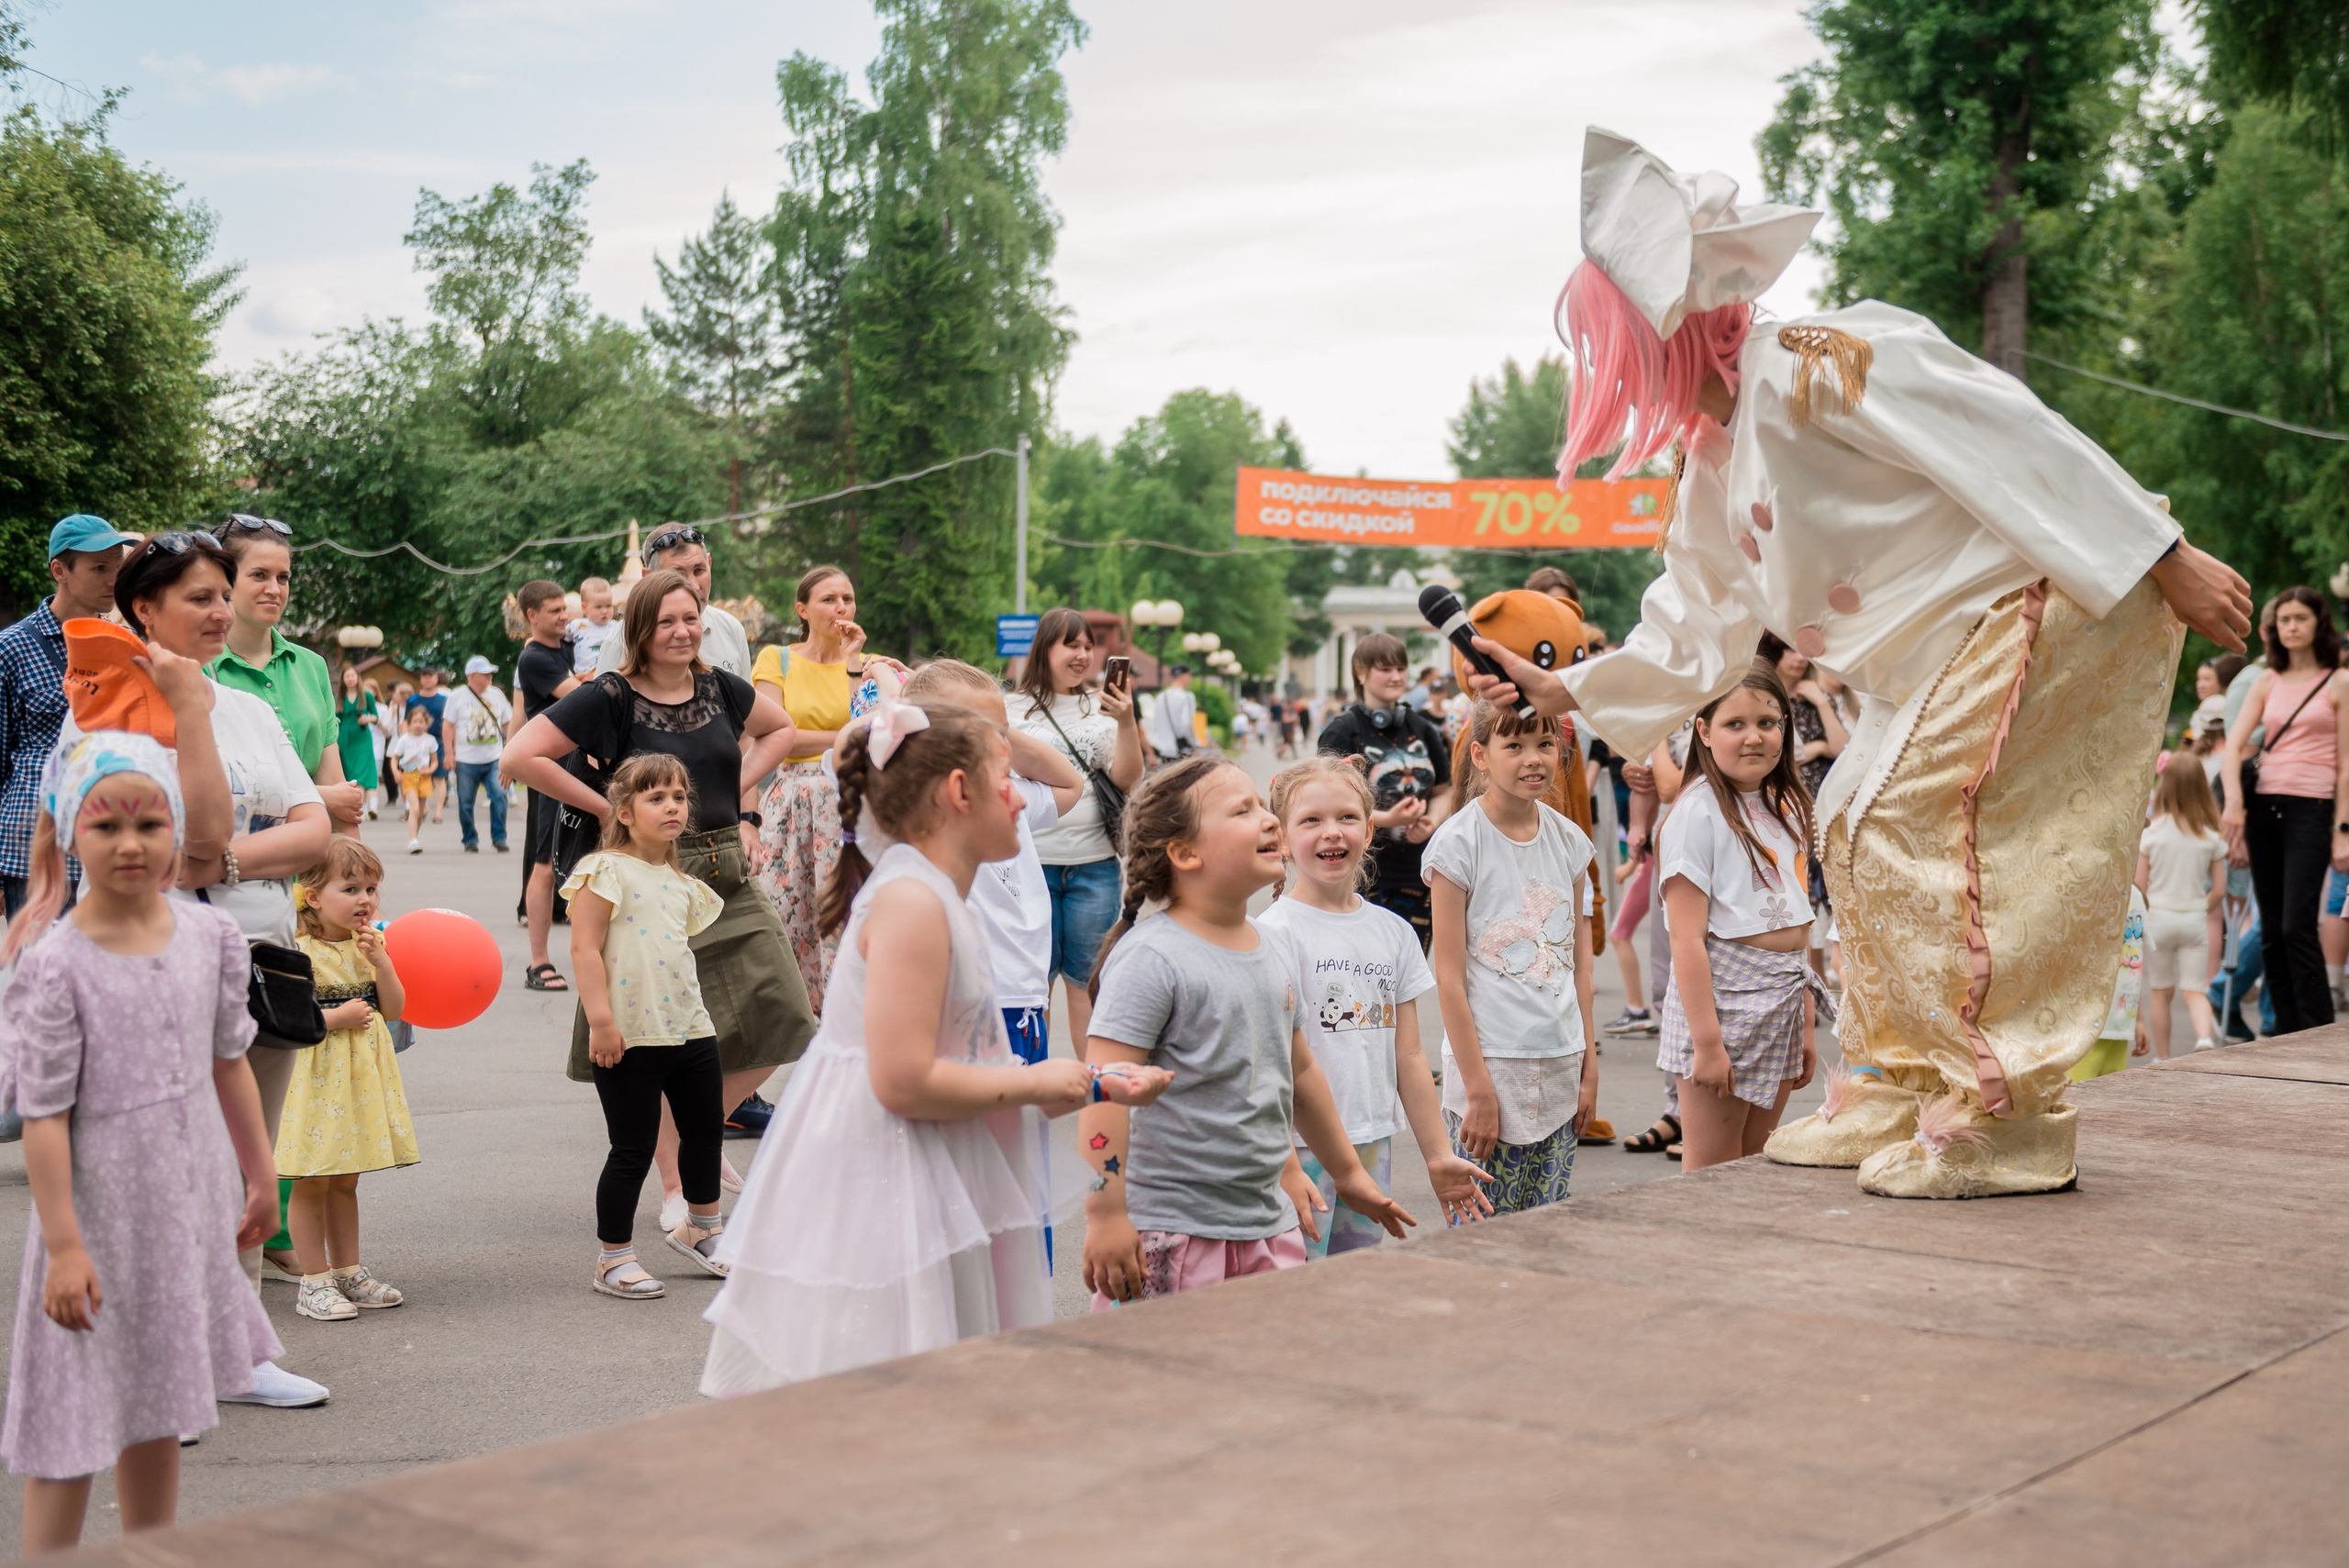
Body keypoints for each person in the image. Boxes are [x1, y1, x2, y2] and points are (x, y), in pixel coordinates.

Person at [1470, 128, 2250, 1198]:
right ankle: (1902, 1073)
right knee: (1844, 820)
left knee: (1901, 823)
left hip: (2022, 604)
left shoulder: (1813, 360)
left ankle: (2001, 1111)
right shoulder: (1712, 455)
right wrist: (1575, 690)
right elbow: (1697, 614)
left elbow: (2002, 429)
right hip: (1930, 653)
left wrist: (2160, 553)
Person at [703, 703, 1170, 1388]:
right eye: (1007, 779)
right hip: (895, 1175)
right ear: (958, 792)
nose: (1020, 799)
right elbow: (904, 1081)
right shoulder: (913, 902)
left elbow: (962, 1062)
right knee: (900, 1377)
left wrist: (1096, 1084)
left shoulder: (935, 895)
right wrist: (1054, 1080)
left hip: (932, 1160)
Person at [0, 735, 281, 1553]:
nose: (130, 843)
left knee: (159, 1406)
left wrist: (260, 1177)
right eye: (106, 825)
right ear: (68, 830)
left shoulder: (213, 940)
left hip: (184, 1205)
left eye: (151, 823)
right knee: (71, 1417)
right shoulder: (52, 964)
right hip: (91, 1218)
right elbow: (46, 1115)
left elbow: (229, 1061)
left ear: (178, 829)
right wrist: (62, 1247)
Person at [503, 570, 815, 1229]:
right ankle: (679, 1193)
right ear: (639, 629)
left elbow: (781, 729)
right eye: (666, 620)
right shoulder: (610, 695)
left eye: (691, 617)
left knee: (785, 1010)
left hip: (724, 865)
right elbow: (521, 755)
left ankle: (693, 1129)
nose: (681, 630)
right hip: (645, 878)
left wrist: (735, 791)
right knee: (653, 1033)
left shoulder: (720, 689)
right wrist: (612, 810)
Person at [1079, 756, 1414, 1307]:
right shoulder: (1152, 958)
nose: (1269, 819)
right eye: (1243, 810)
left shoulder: (1271, 946)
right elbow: (1102, 1088)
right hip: (1174, 1233)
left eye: (1263, 805)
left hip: (1267, 1223)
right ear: (1186, 853)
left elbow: (1300, 1071)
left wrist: (1349, 1174)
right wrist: (1106, 1212)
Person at [1258, 756, 1494, 1245]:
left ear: (1369, 831)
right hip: (1298, 1151)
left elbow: (1408, 1055)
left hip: (1370, 1143)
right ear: (1281, 837)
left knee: (1353, 1285)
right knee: (1290, 1291)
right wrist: (1280, 1162)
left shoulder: (1394, 933)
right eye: (1311, 820)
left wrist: (1436, 1154)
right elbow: (1266, 1066)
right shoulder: (1271, 935)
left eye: (1346, 818)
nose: (1332, 833)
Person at [564, 754, 729, 1300]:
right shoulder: (605, 870)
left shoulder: (683, 883)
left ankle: (702, 1229)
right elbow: (585, 949)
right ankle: (612, 1259)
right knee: (631, 1148)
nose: (672, 807)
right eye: (656, 798)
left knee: (705, 1131)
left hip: (689, 1027)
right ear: (625, 812)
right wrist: (602, 1023)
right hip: (629, 1034)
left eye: (679, 797)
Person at [1422, 704, 1601, 1211]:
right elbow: (1450, 978)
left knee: (1545, 1232)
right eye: (1514, 746)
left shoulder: (1570, 841)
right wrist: (1477, 1090)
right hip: (1492, 1066)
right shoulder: (1457, 845)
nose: (1533, 759)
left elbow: (1579, 966)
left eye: (1545, 744)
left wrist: (1589, 1067)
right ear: (1480, 755)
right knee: (1483, 1237)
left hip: (1561, 1061)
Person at [1653, 670, 1829, 1170]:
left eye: (1768, 722)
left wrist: (1806, 1025)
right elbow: (1685, 940)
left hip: (1785, 999)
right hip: (1722, 1005)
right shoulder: (1696, 811)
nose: (1754, 736)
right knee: (1712, 1171)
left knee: (1757, 1162)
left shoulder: (1790, 803)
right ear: (1704, 732)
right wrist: (1707, 1046)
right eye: (1735, 723)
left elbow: (1801, 917)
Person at [900, 661, 1084, 1068]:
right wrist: (903, 700)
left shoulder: (1009, 792)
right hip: (970, 1002)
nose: (1003, 747)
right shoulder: (917, 805)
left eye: (1003, 731)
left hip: (1026, 996)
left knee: (1021, 1126)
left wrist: (997, 727)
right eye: (981, 730)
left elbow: (1071, 783)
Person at [278, 840, 417, 1321]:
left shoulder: (372, 944)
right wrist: (335, 1019)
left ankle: (348, 1270)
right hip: (316, 1077)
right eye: (350, 888)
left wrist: (382, 963)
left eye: (371, 888)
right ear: (313, 896)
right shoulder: (299, 948)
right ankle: (312, 1281)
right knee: (313, 1177)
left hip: (358, 1079)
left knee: (345, 1179)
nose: (364, 899)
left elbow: (395, 1010)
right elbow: (290, 1016)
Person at [753, 564, 900, 1015]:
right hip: (790, 801)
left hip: (849, 799)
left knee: (844, 920)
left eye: (848, 599)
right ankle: (779, 1039)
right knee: (784, 919)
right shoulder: (776, 658)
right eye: (829, 599)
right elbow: (774, 736)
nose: (842, 608)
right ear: (803, 609)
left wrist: (855, 663)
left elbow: (876, 731)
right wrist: (843, 734)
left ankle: (843, 1022)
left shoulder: (868, 665)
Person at [1008, 606, 1145, 1051]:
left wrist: (1126, 721)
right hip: (1029, 864)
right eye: (1072, 645)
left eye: (1089, 646)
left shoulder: (1104, 708)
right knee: (1034, 981)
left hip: (1094, 866)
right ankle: (1038, 1080)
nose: (1083, 655)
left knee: (1090, 983)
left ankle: (1094, 1090)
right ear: (1045, 648)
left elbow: (1127, 780)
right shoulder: (1010, 708)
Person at [2221, 586, 2349, 1038]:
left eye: (2301, 618)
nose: (2291, 627)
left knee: (2298, 923)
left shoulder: (2339, 682)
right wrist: (2234, 805)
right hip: (2263, 808)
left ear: (2319, 624)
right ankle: (2287, 1034)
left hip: (2312, 810)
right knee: (2273, 927)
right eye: (2284, 620)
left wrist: (2342, 830)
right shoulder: (2265, 680)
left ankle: (2318, 1033)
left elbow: (2347, 761)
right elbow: (2234, 746)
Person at [0, 515, 140, 920]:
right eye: (100, 568)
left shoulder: (124, 645)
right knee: (43, 977)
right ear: (60, 570)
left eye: (117, 566)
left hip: (107, 844)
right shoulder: (11, 649)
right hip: (31, 848)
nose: (114, 578)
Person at [207, 516, 363, 838]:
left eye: (283, 577)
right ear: (223, 580)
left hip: (311, 866)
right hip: (235, 861)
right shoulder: (197, 668)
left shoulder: (311, 665)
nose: (274, 589)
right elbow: (209, 788)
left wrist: (355, 879)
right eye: (259, 575)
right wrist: (322, 798)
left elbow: (337, 788)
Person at [1317, 633, 1453, 949]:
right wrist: (1386, 819)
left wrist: (1431, 821)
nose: (1396, 677)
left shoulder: (1421, 728)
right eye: (1385, 669)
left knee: (1407, 978)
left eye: (1401, 669)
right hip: (1362, 877)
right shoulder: (1342, 731)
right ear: (1361, 673)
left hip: (1418, 875)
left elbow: (1444, 790)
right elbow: (1327, 803)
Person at [510, 580, 578, 991]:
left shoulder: (567, 648)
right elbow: (577, 694)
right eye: (554, 611)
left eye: (565, 609)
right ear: (532, 616)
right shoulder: (534, 658)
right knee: (544, 864)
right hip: (550, 770)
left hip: (576, 767)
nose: (564, 616)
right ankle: (538, 962)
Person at [2139, 754, 2228, 1057]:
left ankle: (2162, 1056)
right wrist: (2201, 906)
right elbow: (2219, 890)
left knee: (2161, 991)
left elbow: (2139, 886)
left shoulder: (2151, 834)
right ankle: (2204, 1037)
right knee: (2194, 990)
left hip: (2159, 919)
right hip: (2193, 919)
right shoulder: (2210, 835)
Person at [594, 527, 751, 679]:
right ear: (648, 577)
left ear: (709, 563)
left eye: (699, 571)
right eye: (678, 575)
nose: (694, 586)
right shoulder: (623, 640)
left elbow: (747, 705)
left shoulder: (731, 630)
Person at [444, 656, 514, 854]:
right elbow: (448, 725)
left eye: (490, 674)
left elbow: (508, 721)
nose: (490, 677)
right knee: (465, 802)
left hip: (494, 757)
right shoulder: (457, 696)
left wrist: (510, 746)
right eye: (485, 674)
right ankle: (469, 839)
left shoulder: (497, 694)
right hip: (466, 759)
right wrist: (449, 753)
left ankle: (499, 838)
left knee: (500, 795)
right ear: (472, 676)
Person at [388, 706, 439, 855]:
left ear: (426, 723)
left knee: (421, 811)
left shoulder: (430, 740)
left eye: (421, 722)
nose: (418, 725)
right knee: (414, 808)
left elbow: (435, 761)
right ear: (409, 723)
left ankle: (414, 836)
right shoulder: (404, 740)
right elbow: (394, 758)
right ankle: (413, 840)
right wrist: (395, 771)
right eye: (415, 721)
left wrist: (431, 769)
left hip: (424, 776)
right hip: (409, 776)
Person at [335, 665, 383, 823]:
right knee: (352, 773)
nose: (350, 679)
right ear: (343, 679)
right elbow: (337, 719)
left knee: (365, 769)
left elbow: (375, 716)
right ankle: (360, 807)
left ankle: (372, 807)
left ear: (357, 677)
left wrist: (367, 719)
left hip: (362, 737)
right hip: (345, 738)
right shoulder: (340, 697)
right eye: (347, 676)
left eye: (352, 676)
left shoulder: (366, 695)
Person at [406, 669, 452, 825]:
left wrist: (450, 747)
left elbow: (449, 723)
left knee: (439, 777)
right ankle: (423, 807)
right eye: (424, 676)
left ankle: (438, 811)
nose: (427, 680)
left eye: (430, 677)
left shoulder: (443, 700)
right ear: (421, 679)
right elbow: (407, 722)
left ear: (435, 679)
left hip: (437, 741)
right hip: (416, 743)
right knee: (417, 776)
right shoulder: (413, 700)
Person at [1147, 664, 1197, 763]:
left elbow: (1155, 724)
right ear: (1184, 676)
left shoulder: (1160, 697)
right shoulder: (1187, 697)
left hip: (1163, 750)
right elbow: (1186, 725)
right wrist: (1195, 745)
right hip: (1180, 750)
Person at [569, 576, 619, 676]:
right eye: (598, 607)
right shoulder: (577, 625)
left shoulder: (617, 627)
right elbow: (556, 636)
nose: (605, 611)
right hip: (582, 676)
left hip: (608, 676)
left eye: (608, 606)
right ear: (584, 608)